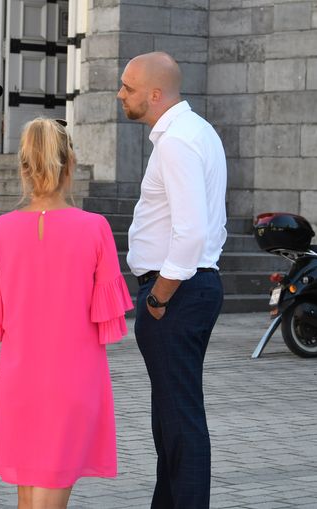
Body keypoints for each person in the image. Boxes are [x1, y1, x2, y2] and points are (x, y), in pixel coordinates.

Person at [0, 117, 132, 509]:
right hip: (73, 380)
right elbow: (109, 321)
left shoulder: (1, 231)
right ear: (70, 164)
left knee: (28, 498)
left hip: (18, 381)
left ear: (23, 168)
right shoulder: (96, 228)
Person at [118, 51, 226, 508]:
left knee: (179, 420)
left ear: (155, 94)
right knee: (171, 419)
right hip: (189, 288)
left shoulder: (178, 140)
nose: (120, 95)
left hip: (177, 292)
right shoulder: (193, 131)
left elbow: (192, 230)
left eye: (128, 87)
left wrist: (160, 296)